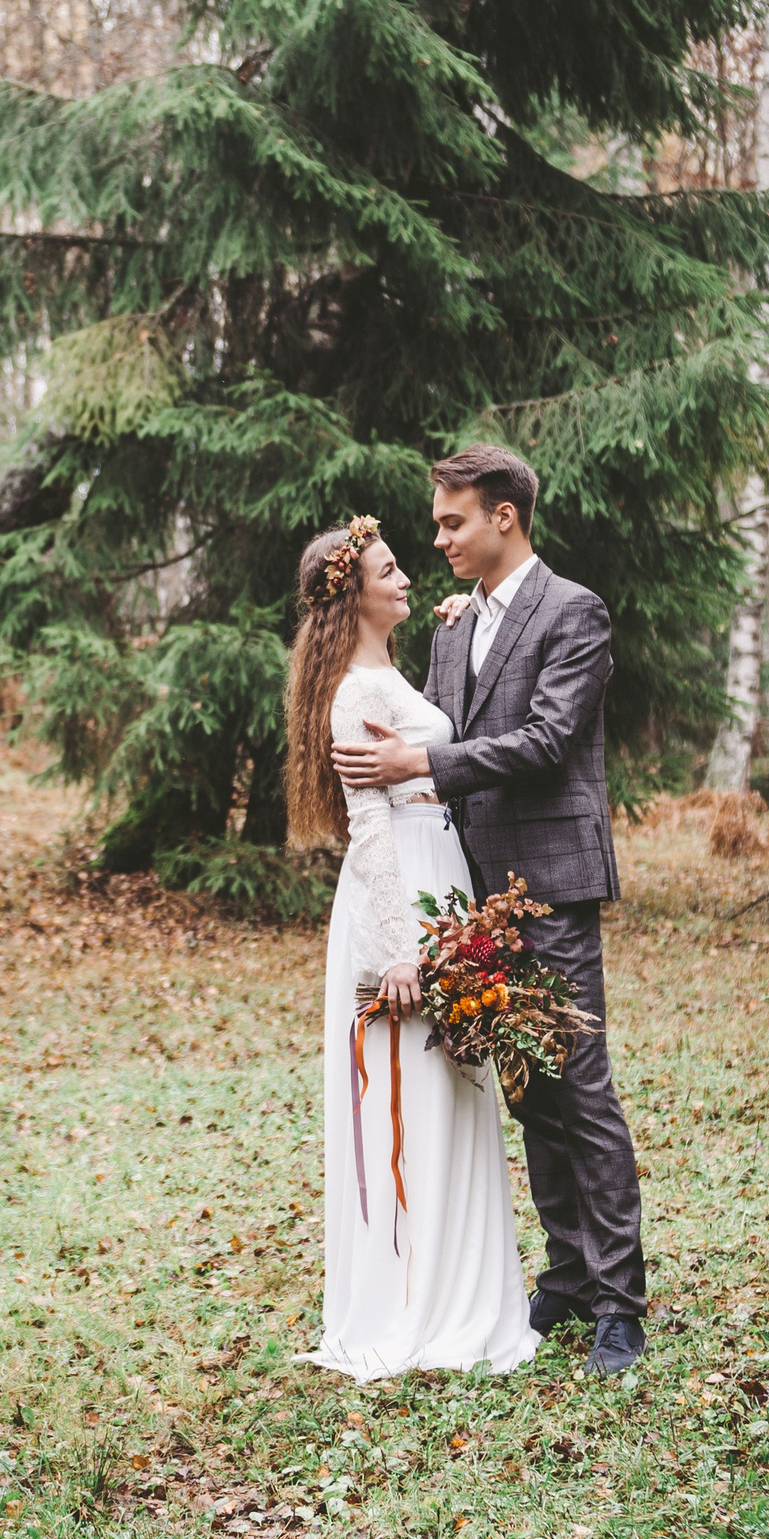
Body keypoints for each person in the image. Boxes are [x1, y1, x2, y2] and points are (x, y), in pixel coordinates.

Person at [332, 446, 646, 1376]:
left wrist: (418, 764)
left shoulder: (574, 611)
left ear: (504, 516)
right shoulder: (453, 628)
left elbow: (546, 741)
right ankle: (568, 1274)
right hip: (472, 895)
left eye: (453, 520)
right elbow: (445, 727)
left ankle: (620, 1302)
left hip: (552, 881)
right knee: (525, 1087)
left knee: (580, 1086)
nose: (439, 538)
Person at [284, 515, 539, 1381]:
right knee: (414, 1100)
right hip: (402, 900)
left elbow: (434, 738)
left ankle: (457, 1290)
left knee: (453, 1095)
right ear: (353, 595)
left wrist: (459, 627)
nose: (406, 578)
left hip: (441, 880)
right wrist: (400, 950)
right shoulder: (353, 692)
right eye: (388, 570)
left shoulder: (386, 672)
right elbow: (370, 829)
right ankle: (414, 1307)